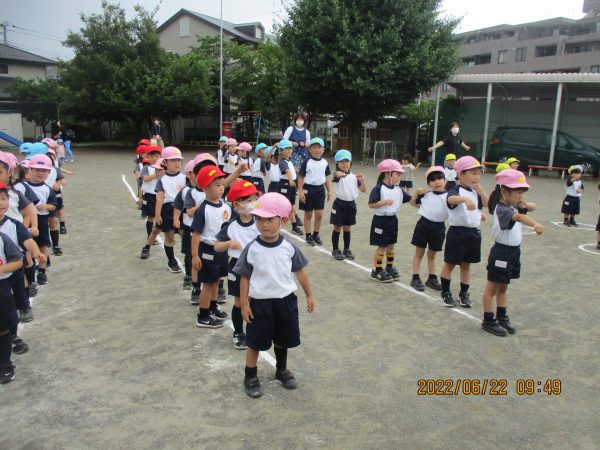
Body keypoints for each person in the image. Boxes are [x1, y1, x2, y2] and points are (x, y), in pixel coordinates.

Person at [234, 192, 315, 398]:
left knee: (283, 338)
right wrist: (244, 304)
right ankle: (250, 374)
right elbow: (244, 277)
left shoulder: (289, 247)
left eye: (269, 219)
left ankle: (281, 369)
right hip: (260, 303)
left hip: (285, 301)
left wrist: (309, 295)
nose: (263, 224)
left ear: (283, 220)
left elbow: (300, 272)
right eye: (259, 219)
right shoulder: (252, 249)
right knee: (254, 341)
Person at [482, 169, 543, 336]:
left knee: (503, 288)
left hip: (513, 252)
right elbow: (520, 218)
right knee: (492, 288)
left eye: (522, 192)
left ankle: (502, 316)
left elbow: (532, 206)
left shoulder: (513, 206)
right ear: (504, 191)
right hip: (501, 252)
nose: (520, 196)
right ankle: (488, 319)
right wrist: (535, 224)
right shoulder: (502, 209)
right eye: (518, 192)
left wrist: (524, 205)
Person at [214, 180, 260, 350]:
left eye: (254, 199)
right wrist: (228, 244)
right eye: (247, 200)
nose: (251, 203)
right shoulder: (231, 225)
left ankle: (254, 330)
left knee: (256, 300)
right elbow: (216, 245)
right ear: (236, 204)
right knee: (240, 301)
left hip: (257, 266)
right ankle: (239, 333)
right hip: (237, 266)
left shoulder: (260, 221)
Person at [439, 156, 488, 308]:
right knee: (450, 264)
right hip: (457, 233)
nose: (476, 177)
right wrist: (464, 200)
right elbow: (450, 199)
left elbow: (487, 204)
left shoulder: (474, 191)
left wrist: (482, 193)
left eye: (478, 174)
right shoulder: (455, 189)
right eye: (473, 173)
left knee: (466, 265)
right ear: (460, 174)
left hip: (473, 233)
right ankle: (445, 292)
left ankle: (464, 293)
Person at [191, 165, 231, 328]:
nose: (221, 188)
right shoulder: (203, 209)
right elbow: (196, 234)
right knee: (208, 284)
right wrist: (195, 256)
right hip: (207, 251)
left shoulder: (225, 206)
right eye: (217, 185)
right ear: (205, 188)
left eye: (222, 184)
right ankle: (203, 315)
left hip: (221, 250)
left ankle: (213, 308)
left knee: (216, 281)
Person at [368, 159, 411, 283]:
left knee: (391, 246)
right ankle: (377, 270)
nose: (399, 176)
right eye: (397, 174)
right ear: (387, 173)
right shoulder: (378, 188)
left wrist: (421, 196)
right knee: (382, 246)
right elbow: (371, 204)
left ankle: (389, 267)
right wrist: (384, 202)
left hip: (393, 220)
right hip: (381, 220)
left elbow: (408, 198)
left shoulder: (397, 189)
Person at [408, 166, 448, 292]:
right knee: (419, 252)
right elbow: (413, 203)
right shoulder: (426, 195)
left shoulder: (450, 196)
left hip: (439, 227)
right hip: (423, 225)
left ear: (445, 180)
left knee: (432, 254)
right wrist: (416, 193)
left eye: (440, 178)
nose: (436, 182)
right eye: (432, 180)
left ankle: (432, 278)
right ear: (428, 183)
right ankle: (415, 277)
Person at [25, 154, 58, 286]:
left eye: (44, 170)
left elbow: (54, 205)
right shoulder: (23, 187)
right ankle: (29, 272)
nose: (40, 173)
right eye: (37, 169)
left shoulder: (47, 189)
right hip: (26, 221)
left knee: (42, 245)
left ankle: (42, 272)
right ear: (30, 170)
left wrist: (45, 206)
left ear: (49, 172)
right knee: (27, 247)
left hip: (42, 220)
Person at [0, 222, 26, 384]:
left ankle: (5, 364)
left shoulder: (2, 239)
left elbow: (18, 261)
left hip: (1, 288)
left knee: (2, 328)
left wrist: (2, 269)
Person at [152, 147, 185, 273]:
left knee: (185, 236)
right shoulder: (162, 180)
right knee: (169, 237)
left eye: (178, 160)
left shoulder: (184, 177)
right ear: (165, 163)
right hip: (167, 210)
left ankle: (189, 259)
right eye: (173, 160)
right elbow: (160, 198)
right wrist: (158, 214)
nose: (177, 163)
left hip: (182, 210)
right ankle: (171, 261)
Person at [329, 150, 366, 261]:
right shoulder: (338, 175)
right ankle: (335, 249)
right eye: (341, 162)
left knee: (347, 227)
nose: (345, 164)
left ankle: (347, 249)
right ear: (337, 164)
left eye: (347, 161)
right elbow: (337, 175)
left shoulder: (354, 177)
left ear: (351, 163)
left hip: (351, 205)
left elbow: (363, 190)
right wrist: (341, 174)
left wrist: (362, 180)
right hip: (339, 204)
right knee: (337, 227)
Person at [297, 138, 332, 246]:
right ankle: (308, 235)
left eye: (319, 147)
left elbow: (326, 177)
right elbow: (301, 177)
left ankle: (316, 234)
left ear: (323, 149)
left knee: (319, 214)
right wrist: (300, 191)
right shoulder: (307, 162)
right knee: (308, 214)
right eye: (314, 147)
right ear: (310, 149)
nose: (317, 150)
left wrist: (329, 190)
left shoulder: (325, 162)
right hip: (308, 189)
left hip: (320, 190)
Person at [173, 159, 196, 290]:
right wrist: (176, 219)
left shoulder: (208, 189)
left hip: (204, 229)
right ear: (188, 174)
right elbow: (177, 206)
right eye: (196, 172)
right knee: (189, 253)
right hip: (189, 226)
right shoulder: (185, 191)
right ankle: (188, 276)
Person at [139, 146, 164, 258]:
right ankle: (150, 236)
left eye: (157, 156)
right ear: (147, 157)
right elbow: (144, 179)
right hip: (149, 195)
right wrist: (155, 175)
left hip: (160, 195)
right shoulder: (146, 168)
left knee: (160, 217)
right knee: (151, 217)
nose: (154, 158)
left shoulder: (163, 168)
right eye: (152, 156)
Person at [277, 140, 303, 235]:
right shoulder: (282, 162)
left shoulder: (289, 160)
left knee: (291, 206)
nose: (289, 150)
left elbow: (290, 170)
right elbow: (287, 171)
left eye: (290, 149)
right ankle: (290, 225)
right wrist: (291, 181)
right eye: (286, 149)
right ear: (280, 150)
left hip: (290, 185)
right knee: (286, 206)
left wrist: (296, 170)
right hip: (285, 185)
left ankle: (294, 225)